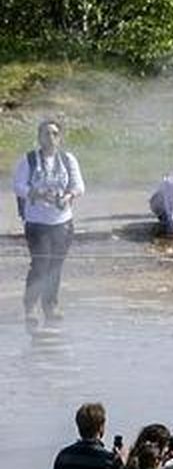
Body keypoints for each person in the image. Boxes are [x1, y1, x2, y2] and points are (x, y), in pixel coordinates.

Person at [13, 119, 84, 329]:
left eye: (54, 133)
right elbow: (18, 186)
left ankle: (50, 305)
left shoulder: (68, 159)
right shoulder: (29, 160)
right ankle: (30, 306)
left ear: (60, 138)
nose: (50, 138)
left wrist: (69, 195)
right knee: (40, 264)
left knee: (55, 266)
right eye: (46, 133)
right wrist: (36, 192)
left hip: (62, 222)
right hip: (37, 222)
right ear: (39, 137)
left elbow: (79, 185)